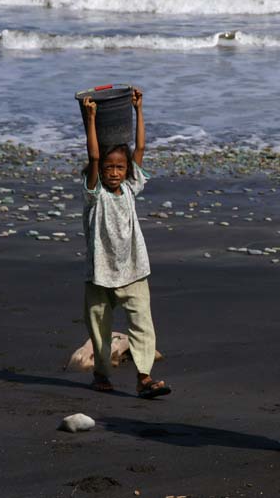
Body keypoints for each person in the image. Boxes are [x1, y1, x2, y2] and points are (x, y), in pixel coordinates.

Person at [80, 88, 170, 399]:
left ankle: (144, 377)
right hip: (100, 271)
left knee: (142, 322)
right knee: (99, 325)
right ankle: (101, 373)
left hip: (133, 268)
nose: (114, 172)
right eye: (108, 168)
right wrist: (91, 119)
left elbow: (140, 147)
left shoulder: (130, 189)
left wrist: (138, 110)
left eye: (119, 167)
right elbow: (93, 155)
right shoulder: (95, 195)